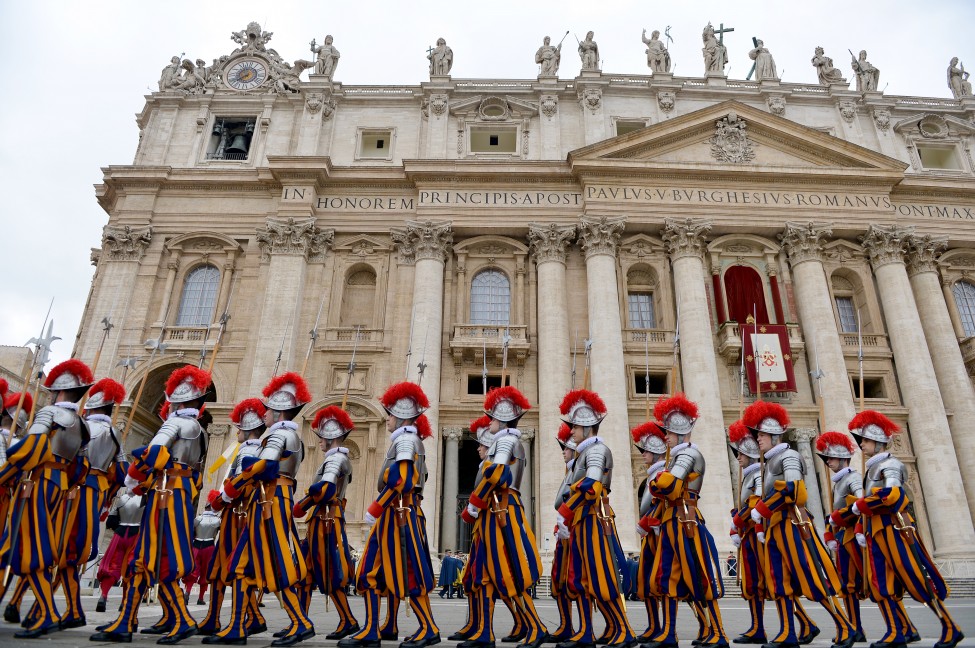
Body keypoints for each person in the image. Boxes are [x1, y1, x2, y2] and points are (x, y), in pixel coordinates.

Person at [91, 364, 210, 645]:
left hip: (165, 492)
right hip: (181, 494)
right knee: (149, 556)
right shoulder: (201, 431)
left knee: (152, 555)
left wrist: (133, 478)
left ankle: (178, 619)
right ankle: (128, 619)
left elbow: (153, 452)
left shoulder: (175, 423)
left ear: (176, 400)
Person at [204, 373, 316, 647]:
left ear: (278, 412)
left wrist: (234, 486)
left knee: (275, 561)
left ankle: (300, 623)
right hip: (269, 500)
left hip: (270, 502)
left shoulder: (280, 434)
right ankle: (238, 626)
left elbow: (262, 467)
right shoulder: (289, 435)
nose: (263, 414)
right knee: (242, 566)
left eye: (267, 410)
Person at [848, 410, 965, 648]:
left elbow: (891, 495)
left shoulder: (890, 464)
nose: (862, 444)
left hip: (894, 530)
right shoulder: (870, 470)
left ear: (879, 442)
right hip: (876, 532)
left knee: (915, 579)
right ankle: (895, 632)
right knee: (881, 583)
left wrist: (862, 504)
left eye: (866, 440)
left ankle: (950, 626)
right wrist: (862, 524)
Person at [745, 401, 854, 648]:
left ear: (774, 435)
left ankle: (844, 626)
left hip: (792, 525)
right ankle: (787, 633)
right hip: (774, 526)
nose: (757, 439)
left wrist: (761, 509)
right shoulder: (767, 463)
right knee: (779, 580)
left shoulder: (790, 456)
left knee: (811, 577)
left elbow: (794, 491)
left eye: (761, 435)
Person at [340, 381, 439, 648]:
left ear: (403, 416)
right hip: (401, 514)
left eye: (391, 415)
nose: (388, 420)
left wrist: (376, 507)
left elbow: (401, 480)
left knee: (379, 571)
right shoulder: (410, 440)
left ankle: (422, 629)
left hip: (397, 516)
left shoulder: (406, 440)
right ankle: (382, 627)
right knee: (389, 573)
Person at [0, 360, 92, 639]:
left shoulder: (50, 413)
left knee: (30, 549)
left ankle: (49, 613)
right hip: (61, 488)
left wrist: (5, 474)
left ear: (59, 393)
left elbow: (31, 449)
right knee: (23, 549)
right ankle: (36, 608)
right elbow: (81, 467)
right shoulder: (82, 424)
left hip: (37, 485)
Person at [461, 386, 548, 648]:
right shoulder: (505, 441)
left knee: (508, 570)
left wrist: (474, 504)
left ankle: (536, 626)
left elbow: (498, 476)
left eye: (493, 418)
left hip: (501, 510)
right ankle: (485, 632)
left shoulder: (506, 441)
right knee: (486, 572)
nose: (489, 423)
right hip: (496, 509)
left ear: (502, 420)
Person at [648, 394, 728, 648]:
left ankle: (718, 633)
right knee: (667, 577)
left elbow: (668, 487)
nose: (666, 437)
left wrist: (657, 481)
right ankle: (669, 634)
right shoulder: (676, 458)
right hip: (672, 519)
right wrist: (659, 483)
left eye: (669, 432)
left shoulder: (688, 455)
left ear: (681, 433)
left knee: (700, 576)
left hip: (687, 521)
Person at [556, 389, 635, 648]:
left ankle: (624, 630)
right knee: (582, 577)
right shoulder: (584, 452)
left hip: (592, 519)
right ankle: (587, 631)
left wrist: (566, 512)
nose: (572, 432)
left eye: (575, 427)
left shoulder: (597, 451)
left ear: (587, 427)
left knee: (601, 576)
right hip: (581, 520)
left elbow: (591, 486)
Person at [198, 398, 267, 637]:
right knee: (222, 566)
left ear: (247, 429)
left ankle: (227, 619)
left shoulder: (248, 449)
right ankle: (220, 617)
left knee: (231, 567)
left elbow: (239, 484)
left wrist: (221, 499)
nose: (236, 431)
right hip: (236, 515)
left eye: (240, 427)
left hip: (237, 515)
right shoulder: (249, 449)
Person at [293, 405, 359, 640]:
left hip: (327, 520)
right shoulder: (333, 458)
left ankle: (348, 620)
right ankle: (300, 621)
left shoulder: (337, 458)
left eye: (322, 436)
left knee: (329, 571)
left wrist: (303, 503)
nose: (319, 441)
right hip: (319, 519)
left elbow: (326, 488)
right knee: (305, 573)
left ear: (331, 436)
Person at [816, 431, 868, 644]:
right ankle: (856, 628)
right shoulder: (839, 482)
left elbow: (861, 503)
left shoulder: (853, 478)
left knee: (859, 583)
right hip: (842, 536)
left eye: (831, 458)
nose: (828, 462)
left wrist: (853, 526)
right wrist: (830, 530)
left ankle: (902, 628)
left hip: (853, 537)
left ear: (844, 458)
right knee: (847, 585)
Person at [449, 416, 494, 645]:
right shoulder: (486, 465)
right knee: (474, 576)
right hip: (483, 524)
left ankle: (531, 626)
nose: (477, 448)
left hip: (493, 523)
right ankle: (476, 626)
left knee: (494, 578)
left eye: (482, 445)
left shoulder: (495, 465)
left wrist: (472, 508)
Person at [727, 421, 766, 645]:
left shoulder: (759, 475)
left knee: (768, 582)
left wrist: (737, 520)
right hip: (748, 535)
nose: (738, 458)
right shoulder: (748, 476)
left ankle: (807, 622)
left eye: (740, 454)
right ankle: (757, 627)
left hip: (757, 534)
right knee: (751, 583)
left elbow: (757, 504)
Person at [632, 420, 667, 641]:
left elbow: (662, 504)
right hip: (649, 535)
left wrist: (651, 522)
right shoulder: (653, 474)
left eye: (646, 451)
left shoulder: (662, 474)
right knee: (647, 582)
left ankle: (708, 628)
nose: (643, 454)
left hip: (661, 534)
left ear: (655, 452)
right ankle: (654, 626)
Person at [549, 424, 580, 644]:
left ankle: (584, 629)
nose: (563, 452)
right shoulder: (570, 471)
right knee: (559, 580)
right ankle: (565, 625)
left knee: (576, 580)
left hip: (575, 532)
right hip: (564, 532)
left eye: (566, 449)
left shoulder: (579, 470)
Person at [95, 488, 144, 613]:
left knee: (113, 566)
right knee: (130, 568)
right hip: (136, 535)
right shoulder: (146, 498)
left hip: (120, 534)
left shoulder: (123, 498)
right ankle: (124, 601)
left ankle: (104, 595)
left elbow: (111, 521)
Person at [184, 501, 221, 605]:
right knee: (205, 572)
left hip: (196, 546)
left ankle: (187, 592)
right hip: (209, 547)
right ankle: (200, 598)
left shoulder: (198, 519)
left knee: (193, 570)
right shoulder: (217, 520)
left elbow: (192, 532)